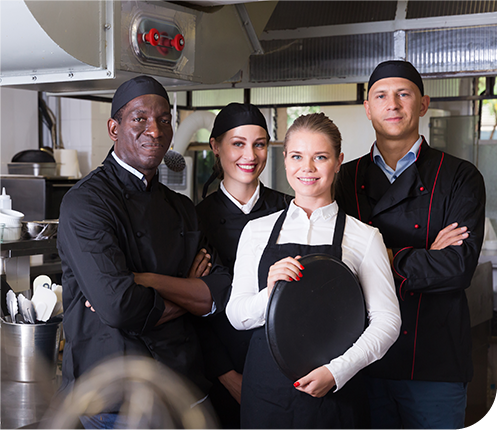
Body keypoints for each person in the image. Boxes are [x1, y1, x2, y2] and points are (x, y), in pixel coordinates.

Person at [57, 75, 231, 429]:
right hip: (117, 401)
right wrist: (187, 291)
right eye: (140, 118)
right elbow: (119, 307)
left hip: (184, 387)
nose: (154, 130)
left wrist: (145, 281)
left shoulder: (181, 207)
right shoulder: (86, 203)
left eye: (164, 120)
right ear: (114, 128)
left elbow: (220, 289)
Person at [335, 60, 486, 430]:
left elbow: (457, 267)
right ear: (367, 108)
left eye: (404, 94)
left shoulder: (459, 176)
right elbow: (334, 265)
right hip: (362, 359)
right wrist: (425, 256)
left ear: (423, 104)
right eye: (381, 96)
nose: (393, 104)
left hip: (434, 362)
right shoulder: (343, 179)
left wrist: (377, 260)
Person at [226, 112, 401, 430]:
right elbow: (236, 315)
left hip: (336, 396)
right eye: (297, 156)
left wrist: (337, 371)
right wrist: (271, 293)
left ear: (338, 162)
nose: (307, 168)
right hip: (266, 393)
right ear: (285, 159)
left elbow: (387, 321)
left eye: (320, 157)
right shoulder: (257, 231)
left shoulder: (364, 236)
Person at [196, 103, 291, 429]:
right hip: (219, 371)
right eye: (238, 143)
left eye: (259, 144)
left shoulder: (289, 211)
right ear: (215, 146)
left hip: (282, 366)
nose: (250, 155)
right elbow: (195, 309)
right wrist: (226, 374)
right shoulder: (195, 220)